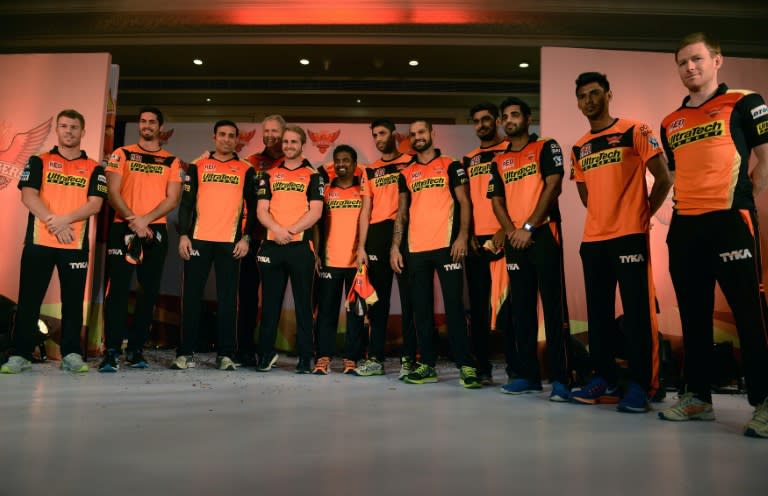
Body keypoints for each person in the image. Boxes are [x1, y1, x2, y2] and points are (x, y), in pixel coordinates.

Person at [657, 32, 768, 437]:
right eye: (683, 62)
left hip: (729, 221)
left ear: (717, 59)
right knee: (693, 317)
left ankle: (764, 401)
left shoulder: (745, 101)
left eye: (697, 59)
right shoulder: (671, 121)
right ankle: (698, 398)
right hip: (686, 227)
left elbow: (764, 161)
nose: (690, 67)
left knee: (749, 316)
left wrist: (740, 201)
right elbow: (675, 173)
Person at [569, 72, 672, 412]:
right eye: (583, 95)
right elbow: (587, 197)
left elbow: (664, 178)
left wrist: (643, 215)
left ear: (608, 94)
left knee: (637, 314)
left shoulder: (635, 129)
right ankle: (605, 378)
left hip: (629, 235)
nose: (589, 100)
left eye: (595, 93)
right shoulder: (579, 146)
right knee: (597, 315)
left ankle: (642, 385)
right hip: (594, 240)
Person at [1, 109, 106, 374]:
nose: (69, 131)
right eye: (64, 126)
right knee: (29, 300)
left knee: (73, 303)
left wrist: (63, 221)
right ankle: (21, 354)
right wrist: (53, 221)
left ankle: (71, 354)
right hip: (39, 243)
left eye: (74, 127)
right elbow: (28, 196)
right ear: (57, 130)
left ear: (83, 132)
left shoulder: (95, 167)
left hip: (75, 245)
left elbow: (95, 204)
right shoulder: (39, 160)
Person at [487, 97, 573, 401]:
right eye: (505, 116)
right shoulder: (498, 160)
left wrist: (527, 228)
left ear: (527, 118)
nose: (509, 120)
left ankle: (561, 380)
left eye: (514, 115)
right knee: (521, 311)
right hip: (515, 241)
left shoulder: (546, 146)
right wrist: (511, 231)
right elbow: (496, 200)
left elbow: (554, 186)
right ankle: (528, 376)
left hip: (544, 235)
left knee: (553, 310)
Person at [390, 119, 481, 388]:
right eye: (413, 134)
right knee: (421, 311)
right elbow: (402, 212)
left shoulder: (451, 165)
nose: (418, 137)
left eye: (422, 132)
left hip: (447, 246)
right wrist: (396, 246)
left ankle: (466, 365)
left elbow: (465, 202)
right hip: (415, 250)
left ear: (432, 134)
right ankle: (427, 365)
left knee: (454, 308)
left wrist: (463, 236)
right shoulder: (406, 172)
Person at [99, 106, 182, 372]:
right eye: (143, 121)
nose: (147, 126)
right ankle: (111, 350)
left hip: (153, 231)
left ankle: (136, 350)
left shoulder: (172, 161)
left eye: (152, 122)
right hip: (123, 227)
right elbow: (112, 192)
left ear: (160, 127)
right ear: (139, 125)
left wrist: (145, 220)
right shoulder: (121, 153)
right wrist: (134, 220)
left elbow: (173, 199)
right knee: (118, 292)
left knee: (148, 293)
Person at [170, 120, 255, 370]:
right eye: (222, 135)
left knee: (228, 299)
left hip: (231, 243)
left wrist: (246, 238)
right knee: (192, 297)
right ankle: (185, 353)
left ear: (237, 139)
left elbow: (254, 207)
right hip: (198, 240)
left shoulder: (246, 169)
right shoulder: (197, 166)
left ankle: (226, 354)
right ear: (214, 137)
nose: (227, 139)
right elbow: (186, 204)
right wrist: (184, 235)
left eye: (231, 136)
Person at [256, 124, 324, 374]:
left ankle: (306, 357)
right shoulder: (269, 175)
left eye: (294, 142)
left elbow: (315, 212)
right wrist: (278, 230)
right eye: (285, 142)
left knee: (304, 306)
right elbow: (261, 210)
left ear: (302, 144)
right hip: (273, 246)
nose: (289, 146)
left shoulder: (313, 175)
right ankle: (265, 354)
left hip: (299, 247)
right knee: (270, 304)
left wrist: (291, 230)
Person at [354, 119, 416, 378]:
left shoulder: (411, 162)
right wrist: (361, 246)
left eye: (382, 133)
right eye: (375, 135)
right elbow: (365, 210)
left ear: (395, 134)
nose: (378, 138)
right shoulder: (369, 170)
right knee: (377, 303)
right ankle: (376, 358)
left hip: (406, 231)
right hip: (377, 235)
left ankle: (410, 359)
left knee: (410, 300)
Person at [463, 103, 512, 385]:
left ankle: (516, 368)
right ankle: (482, 367)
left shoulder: (510, 151)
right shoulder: (468, 159)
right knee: (479, 309)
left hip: (507, 236)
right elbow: (466, 201)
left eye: (486, 120)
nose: (481, 125)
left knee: (511, 308)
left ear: (496, 121)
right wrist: (467, 233)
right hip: (476, 240)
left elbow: (516, 194)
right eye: (476, 121)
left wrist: (505, 232)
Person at [236, 114, 285, 366]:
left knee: (272, 298)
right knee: (246, 297)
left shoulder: (294, 161)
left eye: (275, 131)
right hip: (252, 238)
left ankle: (267, 348)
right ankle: (244, 348)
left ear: (284, 132)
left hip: (279, 240)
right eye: (266, 130)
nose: (269, 135)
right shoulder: (250, 162)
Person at [312, 145, 365, 375]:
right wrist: (316, 252)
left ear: (354, 164)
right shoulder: (326, 190)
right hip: (330, 261)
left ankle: (351, 359)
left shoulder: (362, 190)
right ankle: (324, 357)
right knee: (326, 312)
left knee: (356, 313)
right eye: (338, 161)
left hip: (356, 263)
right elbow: (316, 224)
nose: (341, 165)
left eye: (346, 160)